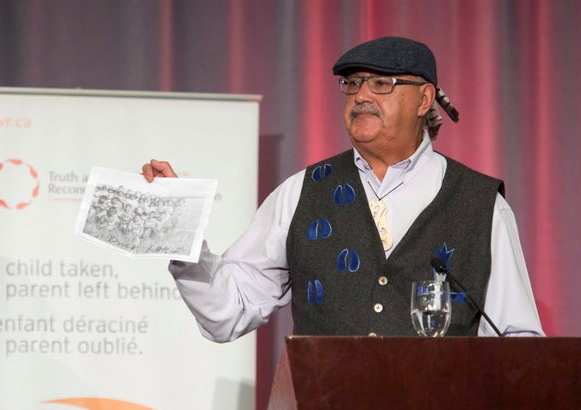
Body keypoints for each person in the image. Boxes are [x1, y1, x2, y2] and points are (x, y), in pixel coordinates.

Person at [142, 36, 544, 341]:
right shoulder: (300, 193)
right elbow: (229, 310)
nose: (362, 95)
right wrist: (182, 231)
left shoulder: (481, 206)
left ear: (424, 98)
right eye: (353, 83)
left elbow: (517, 339)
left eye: (382, 83)